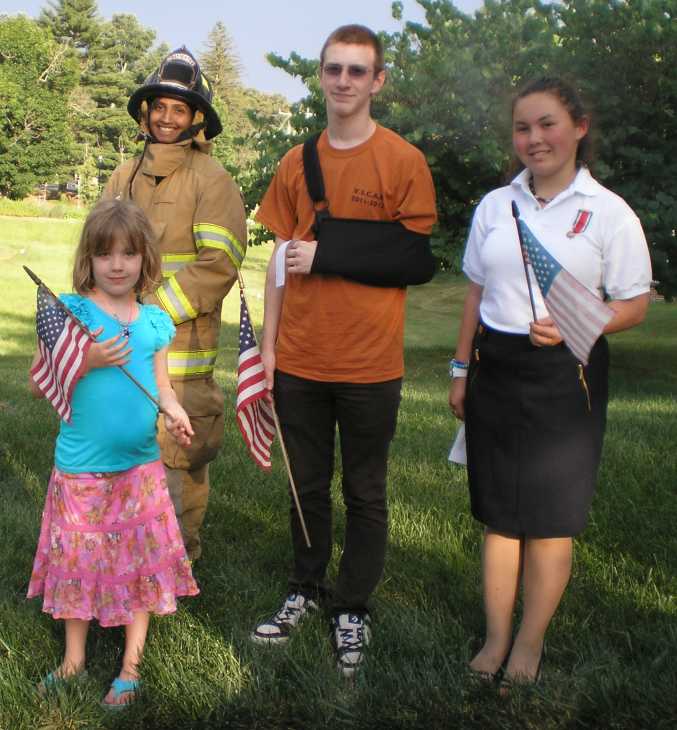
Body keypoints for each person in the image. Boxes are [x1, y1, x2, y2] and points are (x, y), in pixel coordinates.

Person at [448, 77, 652, 688]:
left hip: (570, 375)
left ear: (579, 127)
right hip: (497, 369)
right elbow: (476, 293)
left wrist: (574, 325)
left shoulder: (609, 213)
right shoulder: (494, 206)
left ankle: (529, 645)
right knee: (500, 515)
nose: (533, 139)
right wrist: (461, 369)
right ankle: (495, 639)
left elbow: (635, 304)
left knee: (551, 518)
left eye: (546, 124)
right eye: (521, 128)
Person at [250, 25, 437, 677]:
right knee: (305, 487)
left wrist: (328, 254)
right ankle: (304, 587)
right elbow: (278, 256)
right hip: (299, 359)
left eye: (358, 71)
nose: (344, 81)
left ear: (378, 81)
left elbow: (415, 260)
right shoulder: (296, 162)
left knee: (364, 492)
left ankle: (351, 603)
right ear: (320, 77)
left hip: (369, 365)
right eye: (333, 69)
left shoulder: (402, 161)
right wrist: (268, 347)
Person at [27, 198, 198, 708]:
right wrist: (85, 358)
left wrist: (173, 410)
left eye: (128, 254)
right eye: (105, 254)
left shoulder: (154, 323)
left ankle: (131, 666)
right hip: (80, 467)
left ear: (146, 259)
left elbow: (161, 386)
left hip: (139, 469)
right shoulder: (70, 313)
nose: (117, 265)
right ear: (90, 260)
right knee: (77, 560)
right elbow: (39, 384)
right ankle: (73, 660)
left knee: (139, 562)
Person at [103, 46, 247, 561]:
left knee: (176, 457)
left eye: (179, 109)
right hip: (117, 348)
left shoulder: (213, 181)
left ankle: (175, 560)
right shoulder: (122, 176)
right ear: (146, 113)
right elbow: (98, 251)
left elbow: (218, 264)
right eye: (159, 106)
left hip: (182, 354)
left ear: (197, 118)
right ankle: (120, 554)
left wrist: (151, 310)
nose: (167, 118)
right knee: (119, 450)